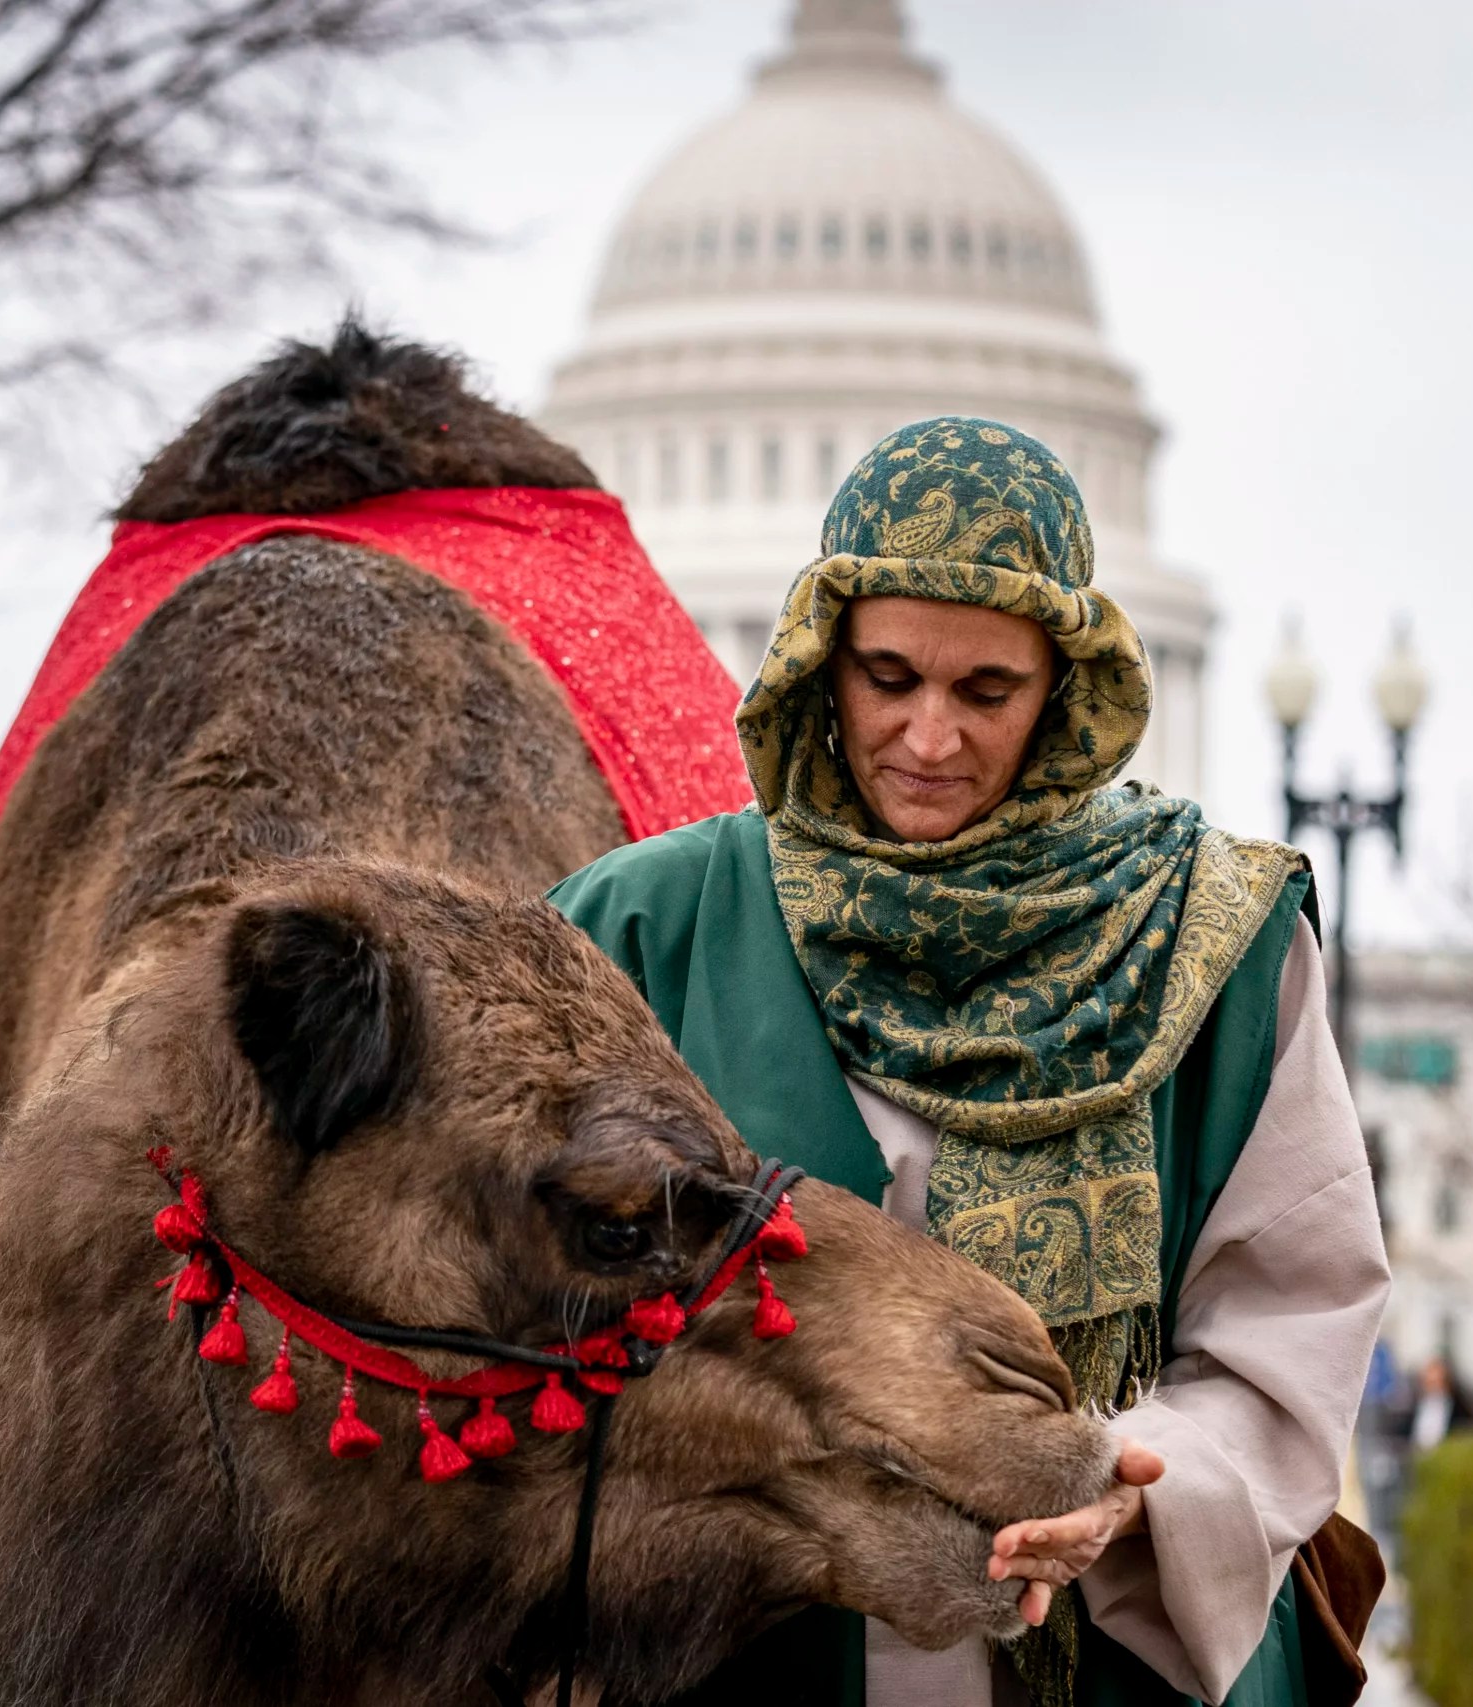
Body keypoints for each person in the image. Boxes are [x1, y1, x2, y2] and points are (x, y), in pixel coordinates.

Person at [552, 418, 1391, 1707]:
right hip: (731, 1660)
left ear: (1066, 683)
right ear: (817, 665)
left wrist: (1130, 1487)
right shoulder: (638, 929)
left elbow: (1289, 1320)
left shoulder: (1213, 939)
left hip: (1106, 1661)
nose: (928, 740)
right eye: (888, 677)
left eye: (985, 692)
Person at [1395, 1357, 1473, 1456]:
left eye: (1436, 1382)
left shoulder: (1460, 1410)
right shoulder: (1414, 1408)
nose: (1433, 1388)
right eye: (1429, 1383)